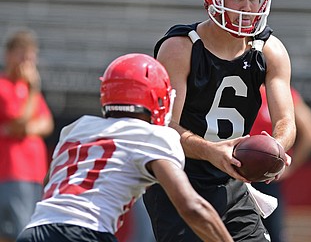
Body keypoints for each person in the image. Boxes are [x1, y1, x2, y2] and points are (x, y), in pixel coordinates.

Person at [16, 53, 234, 242]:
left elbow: (50, 184)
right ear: (157, 97)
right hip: (87, 232)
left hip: (34, 230)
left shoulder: (77, 128)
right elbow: (191, 206)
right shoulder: (154, 136)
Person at [143, 0, 296, 241]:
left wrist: (275, 148)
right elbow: (166, 127)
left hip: (230, 180)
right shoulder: (181, 46)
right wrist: (212, 151)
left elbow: (286, 121)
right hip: (178, 177)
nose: (247, 7)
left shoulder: (270, 50)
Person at [0, 29, 54, 242]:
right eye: (23, 56)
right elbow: (19, 123)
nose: (27, 64)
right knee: (20, 233)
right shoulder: (5, 87)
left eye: (30, 58)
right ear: (9, 55)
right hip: (13, 171)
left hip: (33, 173)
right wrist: (33, 89)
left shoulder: (26, 89)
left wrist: (27, 127)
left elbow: (46, 123)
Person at [251, 85, 311, 242]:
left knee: (271, 232)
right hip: (236, 170)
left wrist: (290, 166)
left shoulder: (281, 91)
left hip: (261, 174)